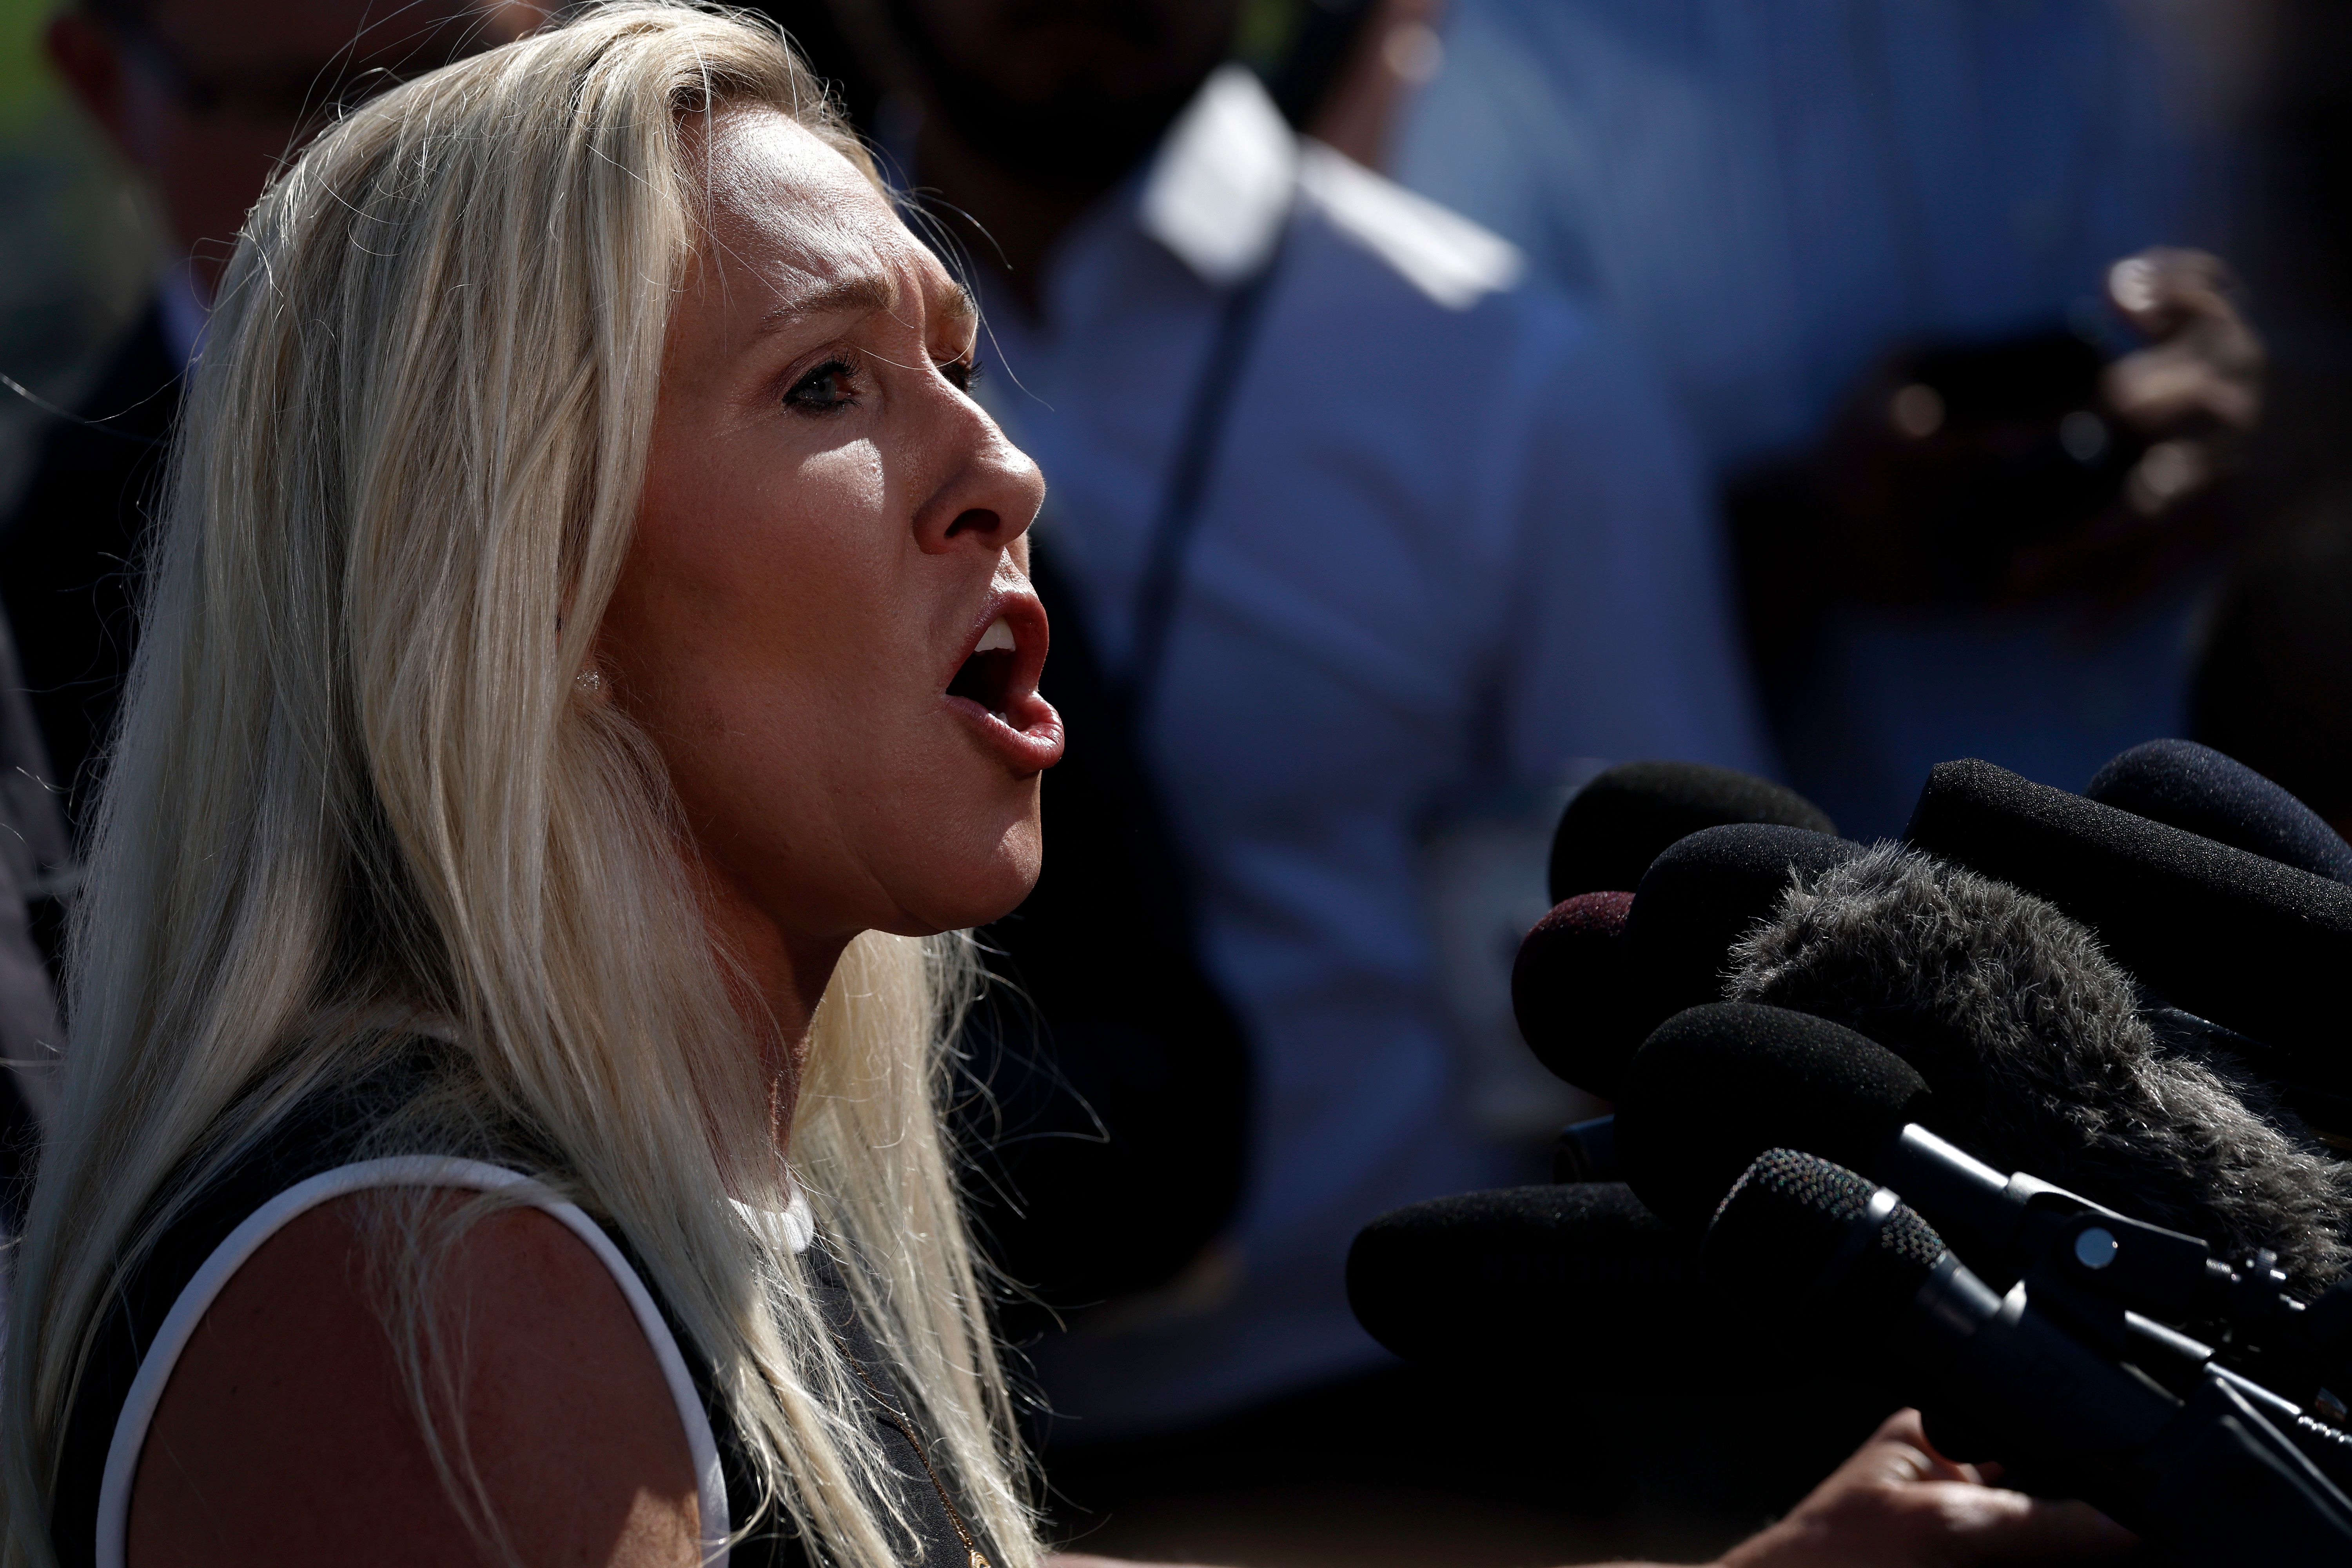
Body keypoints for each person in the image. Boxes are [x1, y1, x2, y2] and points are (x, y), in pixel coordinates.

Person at [0, 7, 2132, 1565]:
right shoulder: (435, 1284)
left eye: (957, 362)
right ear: (505, 571)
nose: (1002, 470)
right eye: (829, 381)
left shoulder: (638, 1187)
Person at [853, 0, 1770, 1443]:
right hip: (864, 1419)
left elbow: (1675, 982)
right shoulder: (686, 347)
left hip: (1391, 1427)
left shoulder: (1523, 387)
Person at [1391, 0, 2259, 836]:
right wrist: (1791, 542)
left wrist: (2296, 432)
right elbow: (1423, 620)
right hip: (1812, 953)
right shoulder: (1520, 37)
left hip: (2280, 909)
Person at [4, 0, 549, 833]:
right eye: (300, 96)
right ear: (103, 84)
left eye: (452, 64)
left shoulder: (758, 394)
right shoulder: (37, 631)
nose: (395, 150)